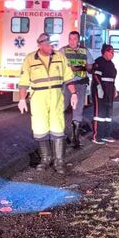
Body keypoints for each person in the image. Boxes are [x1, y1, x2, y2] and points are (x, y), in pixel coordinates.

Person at [17, 33, 77, 174]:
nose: (52, 47)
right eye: (49, 45)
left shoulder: (60, 57)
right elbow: (24, 81)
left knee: (58, 129)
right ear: (41, 45)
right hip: (38, 97)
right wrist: (21, 99)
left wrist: (74, 93)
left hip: (56, 96)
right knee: (40, 128)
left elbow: (68, 77)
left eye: (53, 44)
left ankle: (59, 162)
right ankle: (45, 159)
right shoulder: (30, 59)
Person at [61, 31, 94, 148]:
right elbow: (62, 67)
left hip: (80, 83)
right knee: (61, 107)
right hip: (67, 84)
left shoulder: (84, 51)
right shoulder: (63, 51)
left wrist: (86, 67)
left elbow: (90, 67)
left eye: (74, 39)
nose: (72, 41)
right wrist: (78, 67)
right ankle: (58, 135)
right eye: (70, 39)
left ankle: (75, 138)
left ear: (78, 40)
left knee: (78, 109)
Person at [91, 43, 118, 144]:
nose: (112, 54)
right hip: (100, 91)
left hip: (109, 91)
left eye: (113, 52)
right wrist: (99, 88)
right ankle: (97, 136)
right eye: (110, 52)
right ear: (104, 52)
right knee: (99, 114)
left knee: (108, 114)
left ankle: (106, 135)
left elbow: (112, 79)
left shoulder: (111, 64)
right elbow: (96, 76)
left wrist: (114, 89)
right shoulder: (99, 62)